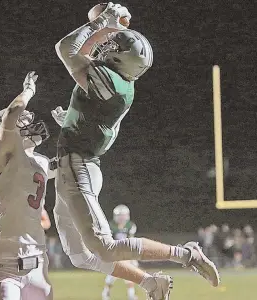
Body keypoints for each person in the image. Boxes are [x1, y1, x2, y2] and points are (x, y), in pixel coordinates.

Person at [50, 2, 220, 299]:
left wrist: (101, 21)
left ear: (120, 57)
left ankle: (186, 254)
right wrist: (71, 120)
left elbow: (66, 48)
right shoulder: (120, 84)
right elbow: (99, 126)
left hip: (78, 167)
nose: (106, 46)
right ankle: (150, 282)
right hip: (78, 164)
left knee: (103, 246)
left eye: (112, 45)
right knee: (82, 256)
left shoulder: (111, 83)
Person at [0, 71, 53, 300]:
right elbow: (12, 113)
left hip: (38, 258)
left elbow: (75, 163)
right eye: (24, 123)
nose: (30, 126)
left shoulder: (40, 161)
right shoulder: (2, 156)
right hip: (7, 259)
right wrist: (28, 91)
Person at [102, 205, 139, 300]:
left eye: (123, 215)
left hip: (125, 253)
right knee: (114, 274)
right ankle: (106, 293)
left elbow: (131, 242)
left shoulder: (130, 225)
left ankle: (130, 295)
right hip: (115, 252)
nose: (121, 218)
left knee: (128, 273)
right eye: (120, 216)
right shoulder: (110, 225)